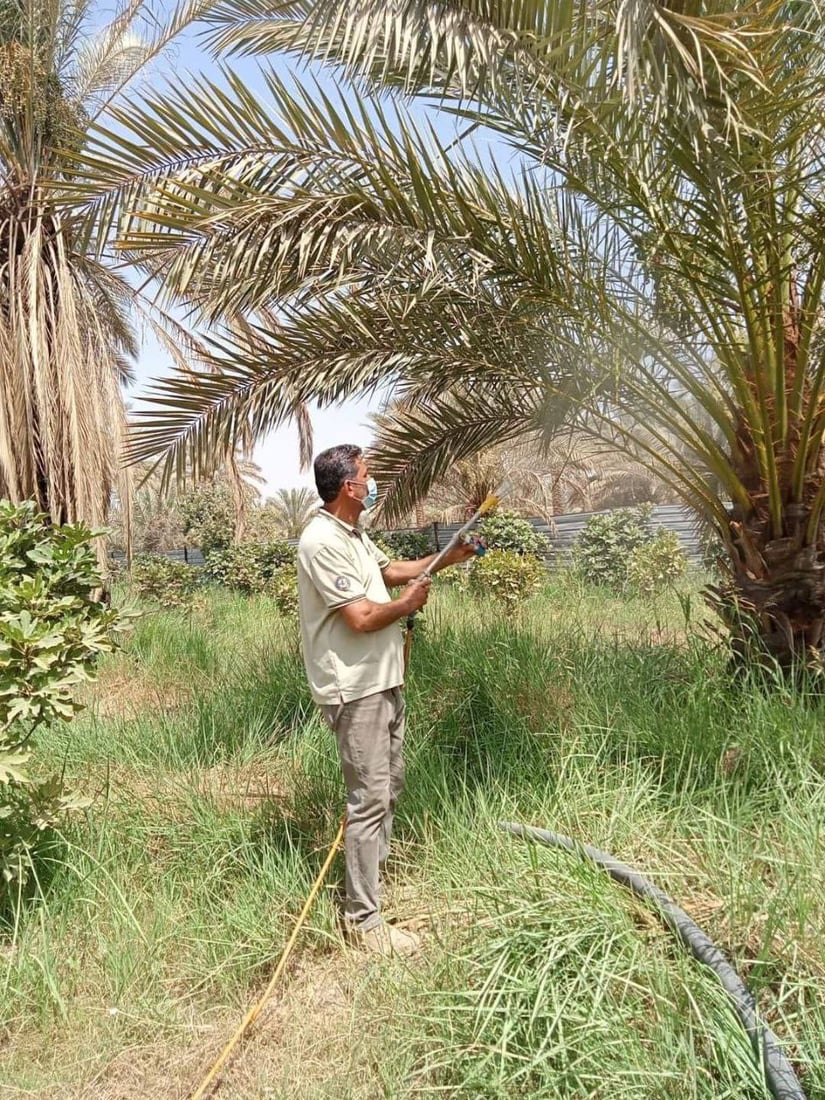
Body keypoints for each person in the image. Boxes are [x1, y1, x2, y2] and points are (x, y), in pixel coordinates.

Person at [297, 444, 476, 956]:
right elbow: (359, 616)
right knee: (369, 799)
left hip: (383, 679)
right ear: (348, 487)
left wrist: (446, 559)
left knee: (388, 787)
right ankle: (365, 923)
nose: (373, 484)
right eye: (368, 477)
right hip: (354, 688)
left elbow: (390, 570)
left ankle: (370, 886)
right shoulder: (320, 541)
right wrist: (405, 607)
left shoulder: (352, 534)